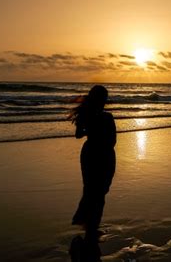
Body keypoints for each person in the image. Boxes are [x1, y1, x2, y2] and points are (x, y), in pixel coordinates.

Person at [68, 85, 116, 238]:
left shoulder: (88, 115)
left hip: (91, 152)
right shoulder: (106, 117)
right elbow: (113, 140)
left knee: (93, 189)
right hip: (103, 154)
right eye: (104, 98)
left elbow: (78, 135)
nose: (104, 101)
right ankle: (91, 227)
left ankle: (87, 222)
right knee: (98, 191)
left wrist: (90, 130)